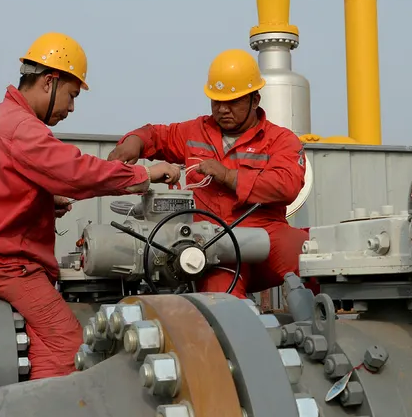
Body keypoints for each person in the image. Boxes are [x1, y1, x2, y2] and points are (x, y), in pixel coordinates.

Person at [0, 32, 181, 380]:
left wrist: (42, 203)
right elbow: (75, 172)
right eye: (72, 95)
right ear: (49, 82)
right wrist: (144, 174)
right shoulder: (21, 128)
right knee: (70, 349)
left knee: (43, 350)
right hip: (9, 267)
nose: (72, 107)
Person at [107, 48, 308, 299]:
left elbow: (287, 185)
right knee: (222, 301)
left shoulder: (281, 140)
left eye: (232, 102)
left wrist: (228, 176)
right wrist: (134, 142)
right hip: (213, 242)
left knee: (308, 257)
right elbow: (156, 135)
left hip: (266, 235)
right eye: (216, 101)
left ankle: (322, 315)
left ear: (255, 100)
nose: (222, 109)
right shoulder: (195, 131)